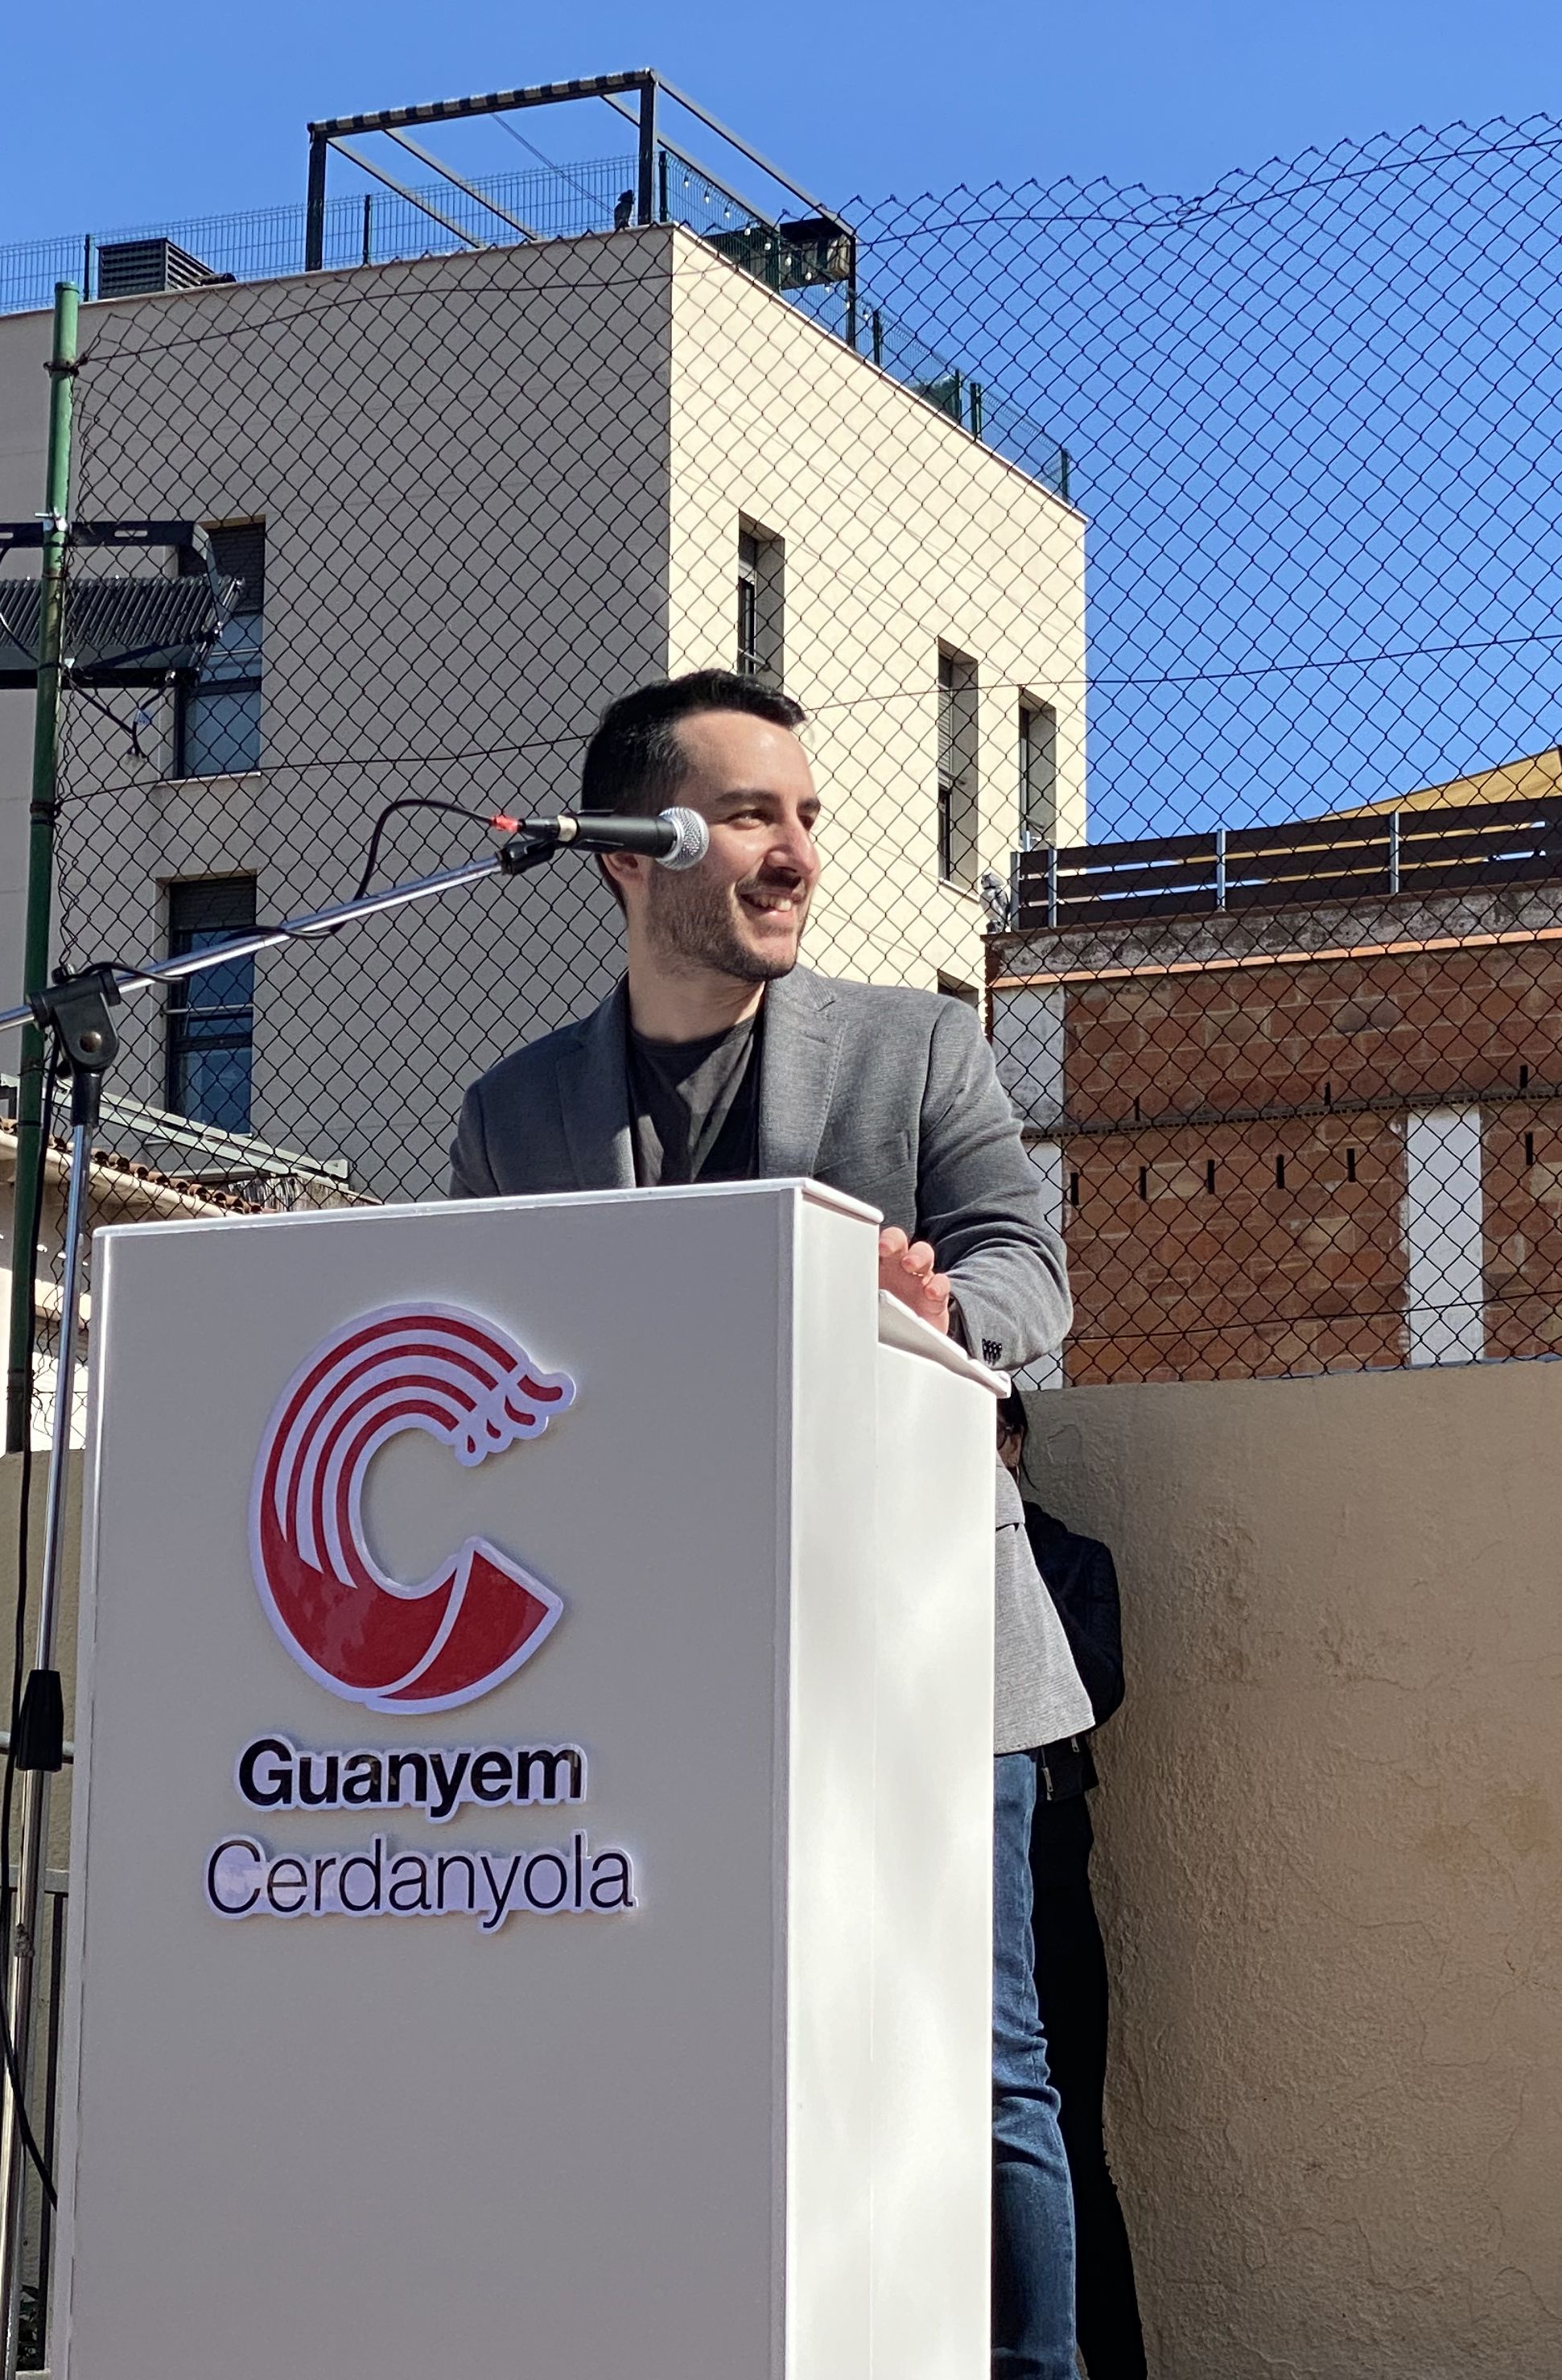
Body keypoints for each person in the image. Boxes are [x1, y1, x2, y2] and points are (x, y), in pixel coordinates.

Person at [452, 669, 1094, 2380]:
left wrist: (927, 1308)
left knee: (981, 2069)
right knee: (693, 2057)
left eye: (808, 816)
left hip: (923, 1655)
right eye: (750, 814)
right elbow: (478, 1379)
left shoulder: (916, 1047)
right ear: (626, 854)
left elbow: (1039, 1282)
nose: (796, 851)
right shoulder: (514, 1113)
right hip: (650, 1677)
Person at [1004, 1392, 1150, 2380]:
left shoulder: (1072, 1560)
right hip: (946, 1878)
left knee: (1065, 2141)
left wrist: (1000, 1561)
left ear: (1010, 1444)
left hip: (1048, 1871)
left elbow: (1091, 1686)